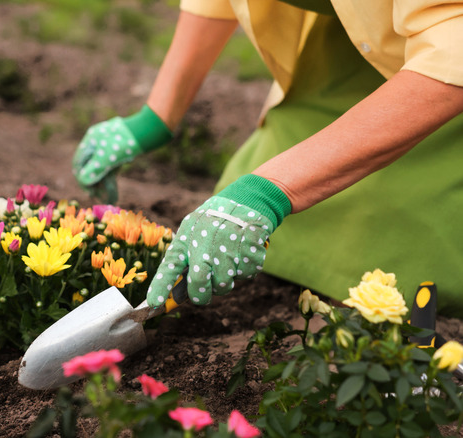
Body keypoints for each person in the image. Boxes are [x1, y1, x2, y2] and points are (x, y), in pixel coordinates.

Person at [72, 0, 463, 316]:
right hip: (344, 52)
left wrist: (271, 190)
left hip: (440, 92)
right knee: (253, 234)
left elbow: (452, 52)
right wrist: (155, 118)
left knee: (400, 273)